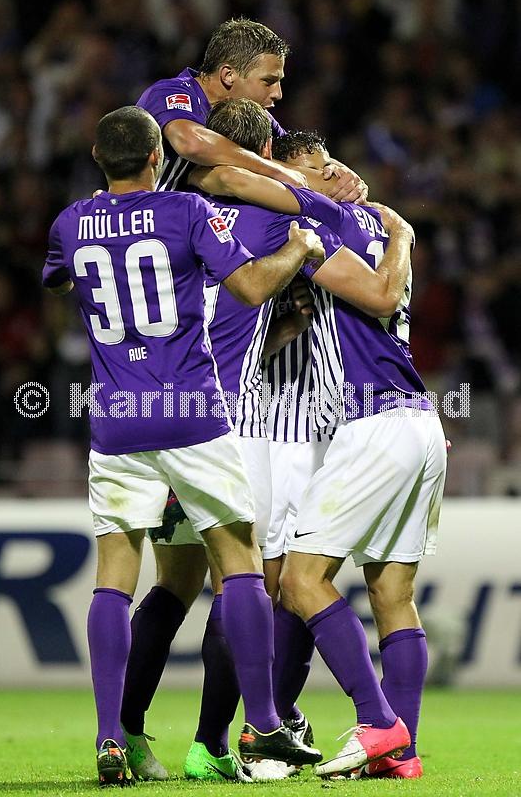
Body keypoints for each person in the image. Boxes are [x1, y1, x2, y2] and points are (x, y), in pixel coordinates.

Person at [121, 98, 413, 782]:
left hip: (148, 410)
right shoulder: (278, 219)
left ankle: (124, 732)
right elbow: (366, 294)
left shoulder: (170, 215)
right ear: (265, 160)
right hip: (237, 425)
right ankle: (239, 735)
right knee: (256, 581)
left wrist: (280, 326)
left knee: (172, 582)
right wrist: (356, 217)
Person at [42, 105, 325, 787]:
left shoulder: (70, 222)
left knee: (115, 575)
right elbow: (250, 287)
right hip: (192, 412)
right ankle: (263, 721)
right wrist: (300, 249)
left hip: (117, 418)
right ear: (154, 158)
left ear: (97, 156)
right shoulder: (184, 212)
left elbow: (59, 282)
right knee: (240, 562)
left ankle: (112, 736)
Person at [190, 114, 447, 778]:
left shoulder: (322, 219)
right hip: (422, 423)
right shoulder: (378, 228)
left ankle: (377, 724)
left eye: (305, 172)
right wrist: (403, 232)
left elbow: (224, 176)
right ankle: (401, 753)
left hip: (373, 423)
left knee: (300, 581)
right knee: (393, 594)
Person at [136, 17, 366, 200]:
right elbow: (191, 143)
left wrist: (341, 173)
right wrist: (272, 169)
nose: (278, 93)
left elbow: (298, 154)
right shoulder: (170, 93)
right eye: (268, 81)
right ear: (228, 75)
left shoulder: (251, 115)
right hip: (140, 225)